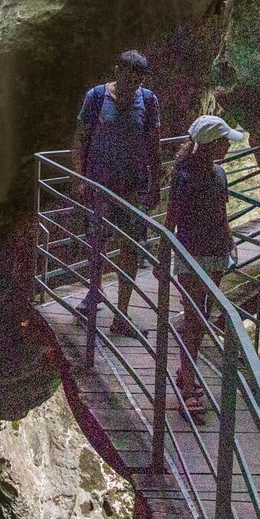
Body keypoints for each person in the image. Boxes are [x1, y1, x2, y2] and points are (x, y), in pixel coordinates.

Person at [72, 50, 162, 328]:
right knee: (96, 241)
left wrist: (155, 183)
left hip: (132, 187)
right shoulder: (96, 96)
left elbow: (153, 146)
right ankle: (94, 293)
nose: (132, 86)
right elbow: (80, 141)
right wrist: (80, 179)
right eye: (128, 78)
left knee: (130, 247)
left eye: (137, 81)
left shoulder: (148, 101)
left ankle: (121, 313)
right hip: (99, 185)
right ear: (117, 71)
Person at [167, 115, 243, 420]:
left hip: (216, 253)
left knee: (202, 316)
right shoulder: (183, 177)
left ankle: (186, 372)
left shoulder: (220, 174)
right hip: (191, 255)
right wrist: (163, 256)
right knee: (195, 319)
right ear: (211, 145)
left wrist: (231, 241)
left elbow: (221, 212)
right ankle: (187, 388)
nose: (228, 146)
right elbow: (171, 217)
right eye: (224, 141)